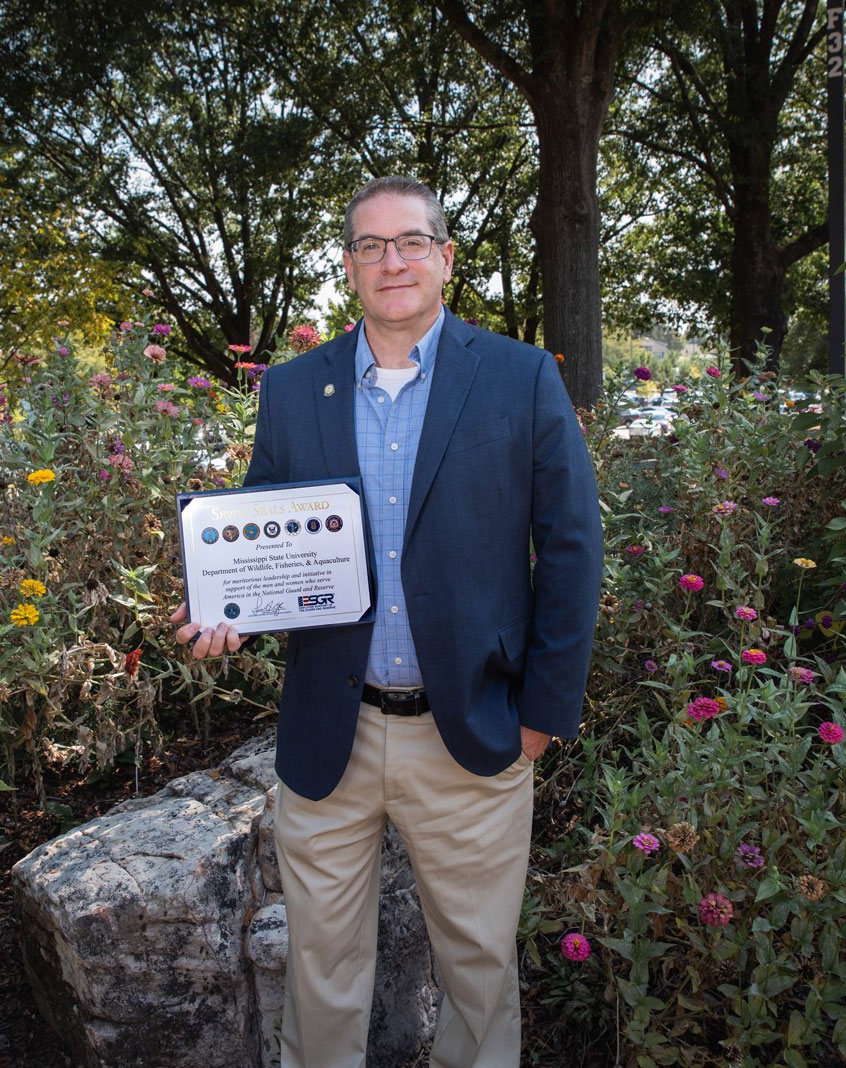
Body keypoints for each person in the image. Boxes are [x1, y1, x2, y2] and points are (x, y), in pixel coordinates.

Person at [171, 176, 602, 1068]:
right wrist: (225, 607)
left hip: (474, 732)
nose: (391, 260)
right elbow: (264, 525)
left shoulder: (519, 377)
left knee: (479, 970)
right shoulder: (294, 390)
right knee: (320, 968)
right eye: (371, 246)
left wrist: (539, 723)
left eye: (410, 241)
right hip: (333, 726)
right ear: (349, 267)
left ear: (444, 257)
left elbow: (570, 550)